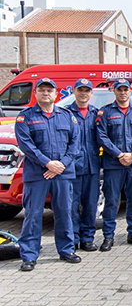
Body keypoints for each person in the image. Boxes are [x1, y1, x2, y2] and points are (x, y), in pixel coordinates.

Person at [15, 78, 81, 271]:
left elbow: (75, 144)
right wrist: (47, 163)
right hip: (38, 174)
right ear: (35, 93)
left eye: (49, 90)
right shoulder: (25, 117)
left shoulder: (67, 116)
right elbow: (26, 144)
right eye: (42, 90)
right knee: (33, 214)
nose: (46, 93)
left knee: (64, 213)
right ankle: (29, 256)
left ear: (55, 94)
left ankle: (66, 250)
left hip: (62, 173)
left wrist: (62, 164)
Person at [96, 79, 132, 250]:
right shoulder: (105, 112)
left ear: (130, 91)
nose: (123, 93)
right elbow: (102, 136)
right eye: (119, 89)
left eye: (125, 89)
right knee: (112, 201)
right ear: (114, 91)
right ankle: (108, 236)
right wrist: (119, 154)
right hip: (114, 164)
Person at [67, 78, 101, 252]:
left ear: (91, 93)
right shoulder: (66, 114)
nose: (83, 93)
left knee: (90, 205)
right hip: (72, 167)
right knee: (71, 205)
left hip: (92, 166)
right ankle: (73, 238)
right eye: (80, 90)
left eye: (86, 90)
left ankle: (87, 238)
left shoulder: (96, 113)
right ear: (74, 91)